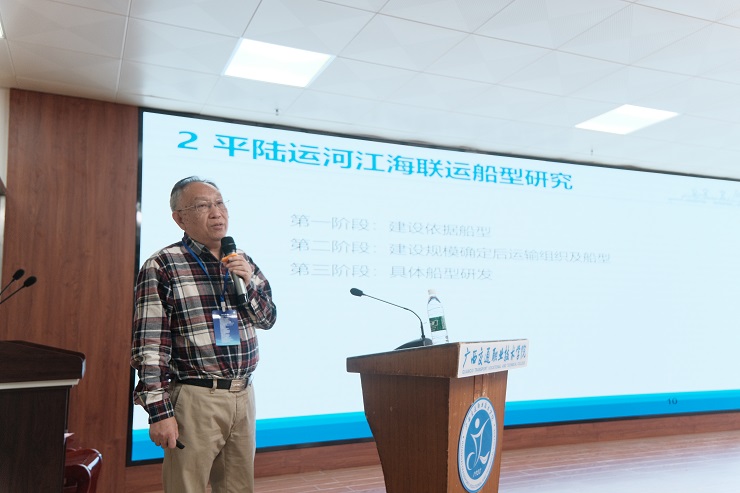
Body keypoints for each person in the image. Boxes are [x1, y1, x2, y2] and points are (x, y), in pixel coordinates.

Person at [131, 176, 277, 493]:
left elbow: (268, 319)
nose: (216, 212)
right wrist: (159, 413)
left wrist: (248, 285)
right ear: (179, 218)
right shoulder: (162, 265)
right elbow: (150, 346)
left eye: (220, 203)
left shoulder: (242, 261)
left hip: (243, 394)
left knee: (239, 488)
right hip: (195, 398)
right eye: (202, 205)